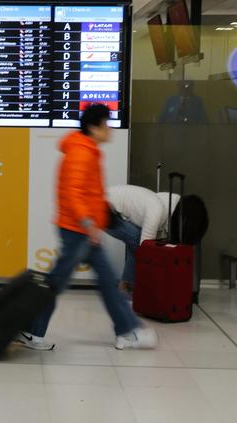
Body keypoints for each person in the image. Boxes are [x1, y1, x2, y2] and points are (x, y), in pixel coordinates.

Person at [18, 104, 158, 351]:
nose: (110, 129)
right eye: (106, 124)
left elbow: (88, 193)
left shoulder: (87, 150)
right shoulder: (81, 153)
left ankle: (125, 331)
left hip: (83, 231)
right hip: (77, 231)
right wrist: (88, 223)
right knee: (56, 283)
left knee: (102, 281)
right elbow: (73, 194)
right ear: (94, 126)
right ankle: (32, 330)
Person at [106, 186, 209, 292]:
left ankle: (127, 286)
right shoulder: (157, 211)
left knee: (140, 244)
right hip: (105, 209)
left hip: (112, 207)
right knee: (140, 244)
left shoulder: (175, 203)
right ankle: (130, 287)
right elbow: (145, 250)